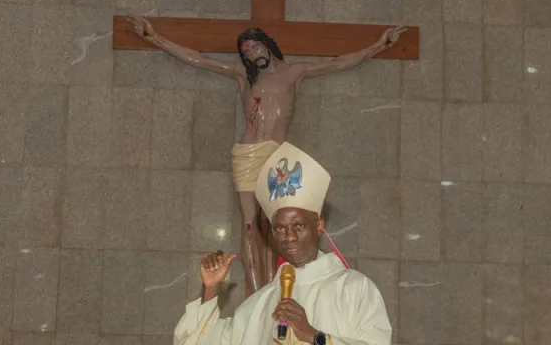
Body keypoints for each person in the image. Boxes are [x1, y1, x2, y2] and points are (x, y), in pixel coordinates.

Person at [127, 15, 407, 295]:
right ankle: (254, 290)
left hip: (277, 157)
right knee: (249, 225)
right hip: (247, 155)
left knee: (277, 223)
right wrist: (153, 37)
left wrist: (378, 46)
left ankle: (274, 288)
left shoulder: (293, 72)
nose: (250, 53)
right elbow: (200, 60)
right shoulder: (242, 75)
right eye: (245, 51)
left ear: (267, 45)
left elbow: (337, 62)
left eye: (254, 47)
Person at [172, 142, 394, 345]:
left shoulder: (354, 290)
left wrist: (313, 335)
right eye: (279, 228)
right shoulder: (260, 304)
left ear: (319, 226)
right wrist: (211, 289)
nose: (288, 237)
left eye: (298, 226)